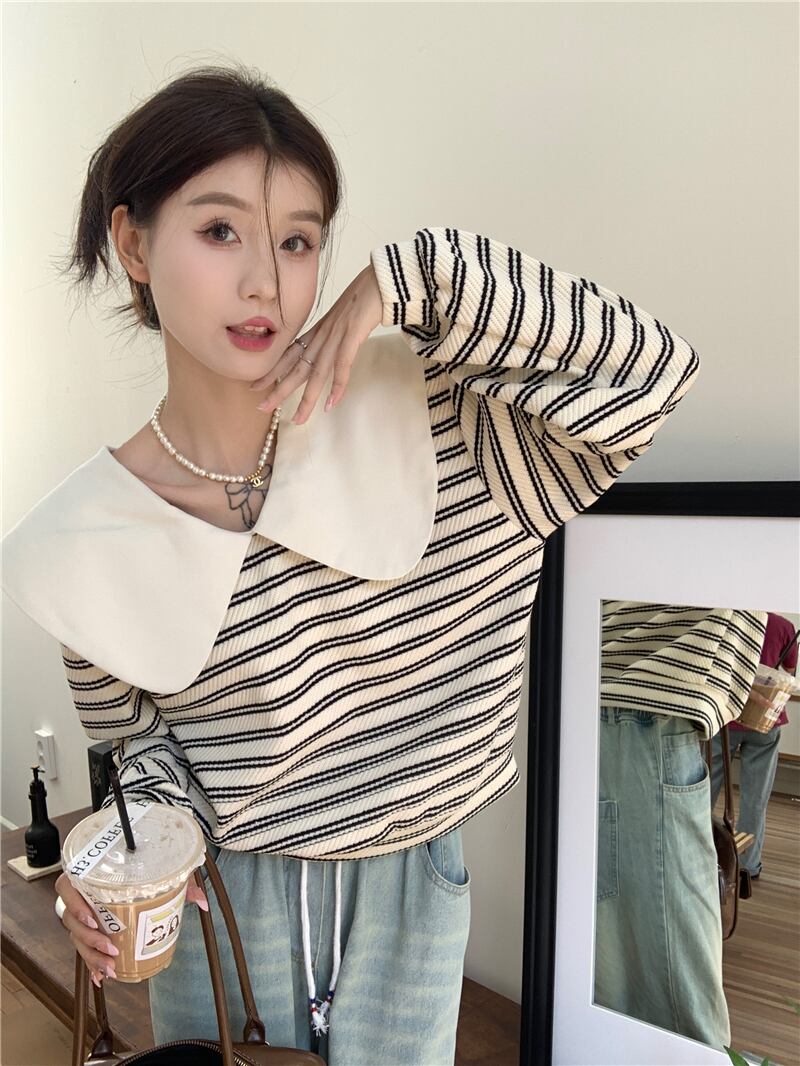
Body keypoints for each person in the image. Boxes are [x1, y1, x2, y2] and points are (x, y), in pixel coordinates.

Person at [1, 63, 701, 1065]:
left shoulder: (438, 427)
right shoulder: (80, 540)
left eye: (298, 240)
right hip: (219, 914)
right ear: (134, 244)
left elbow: (648, 374)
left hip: (414, 899)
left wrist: (408, 277)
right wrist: (114, 862)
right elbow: (142, 757)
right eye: (220, 230)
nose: (266, 282)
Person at [710, 612, 799, 880]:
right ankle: (748, 866)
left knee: (706, 790)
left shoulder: (731, 618)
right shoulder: (784, 626)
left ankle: (700, 855)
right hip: (766, 722)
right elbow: (789, 672)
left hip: (727, 717)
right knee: (755, 798)